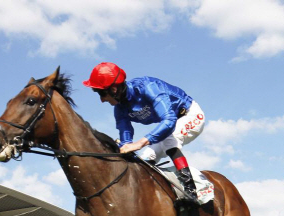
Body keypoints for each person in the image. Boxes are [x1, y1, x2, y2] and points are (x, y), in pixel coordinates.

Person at [83, 62, 206, 202]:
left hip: (190, 115)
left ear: (114, 89)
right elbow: (126, 141)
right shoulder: (120, 109)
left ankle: (191, 190)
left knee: (169, 140)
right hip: (169, 129)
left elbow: (169, 120)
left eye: (102, 93)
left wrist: (140, 143)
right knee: (144, 159)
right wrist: (124, 150)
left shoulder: (149, 87)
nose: (102, 100)